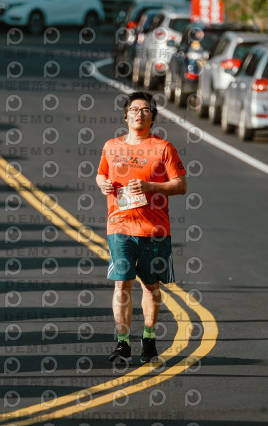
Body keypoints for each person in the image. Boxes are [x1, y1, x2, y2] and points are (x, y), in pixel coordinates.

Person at [96, 91, 187, 364]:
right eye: (134, 110)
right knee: (122, 282)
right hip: (119, 225)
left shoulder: (163, 148)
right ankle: (123, 342)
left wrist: (150, 186)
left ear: (152, 117)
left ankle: (148, 336)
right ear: (126, 116)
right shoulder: (111, 146)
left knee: (151, 286)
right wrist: (102, 184)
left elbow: (181, 185)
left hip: (154, 229)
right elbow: (101, 174)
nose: (139, 114)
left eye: (145, 110)